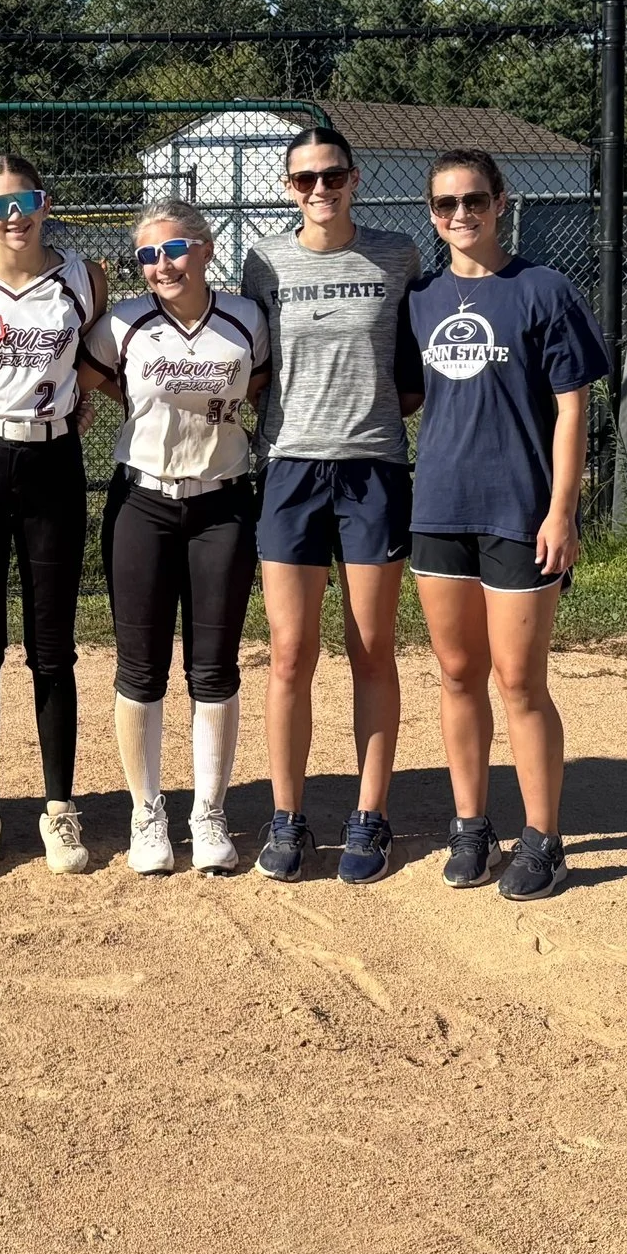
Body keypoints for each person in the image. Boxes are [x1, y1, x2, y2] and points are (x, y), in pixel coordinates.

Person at [405, 149, 606, 900]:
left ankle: (545, 839)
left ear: (501, 201)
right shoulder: (420, 297)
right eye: (446, 203)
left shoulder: (542, 289)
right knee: (458, 673)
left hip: (520, 512)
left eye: (475, 199)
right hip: (440, 510)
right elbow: (400, 393)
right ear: (431, 213)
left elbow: (573, 409)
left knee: (520, 679)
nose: (461, 214)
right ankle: (471, 825)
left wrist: (561, 509)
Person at [238, 124, 422, 885]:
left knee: (371, 647)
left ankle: (369, 814)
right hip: (289, 470)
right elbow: (247, 366)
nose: (321, 190)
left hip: (374, 468)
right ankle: (286, 816)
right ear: (289, 188)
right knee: (289, 653)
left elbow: (412, 375)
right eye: (305, 179)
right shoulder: (264, 262)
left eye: (333, 176)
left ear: (354, 178)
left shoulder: (399, 254)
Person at [0, 154, 109, 880]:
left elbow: (105, 353)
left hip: (51, 462)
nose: (15, 215)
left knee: (53, 644)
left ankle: (60, 806)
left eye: (27, 200)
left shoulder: (84, 275)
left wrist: (79, 392)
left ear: (45, 201)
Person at [88, 199, 269, 875]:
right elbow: (88, 376)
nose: (161, 264)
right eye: (147, 254)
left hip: (222, 505)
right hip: (144, 501)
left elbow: (262, 385)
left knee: (214, 666)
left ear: (206, 248)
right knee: (140, 667)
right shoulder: (126, 322)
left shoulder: (246, 319)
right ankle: (147, 813)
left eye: (174, 249)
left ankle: (209, 814)